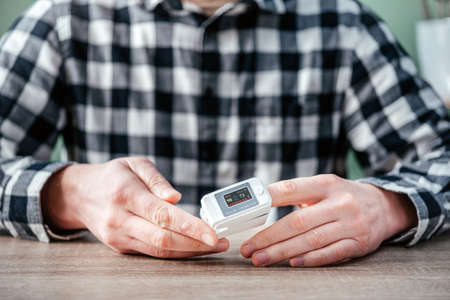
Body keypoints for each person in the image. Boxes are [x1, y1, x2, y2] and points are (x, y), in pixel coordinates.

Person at [0, 0, 448, 267]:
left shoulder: (344, 23)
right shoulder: (64, 16)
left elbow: (441, 157)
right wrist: (65, 193)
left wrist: (389, 207)